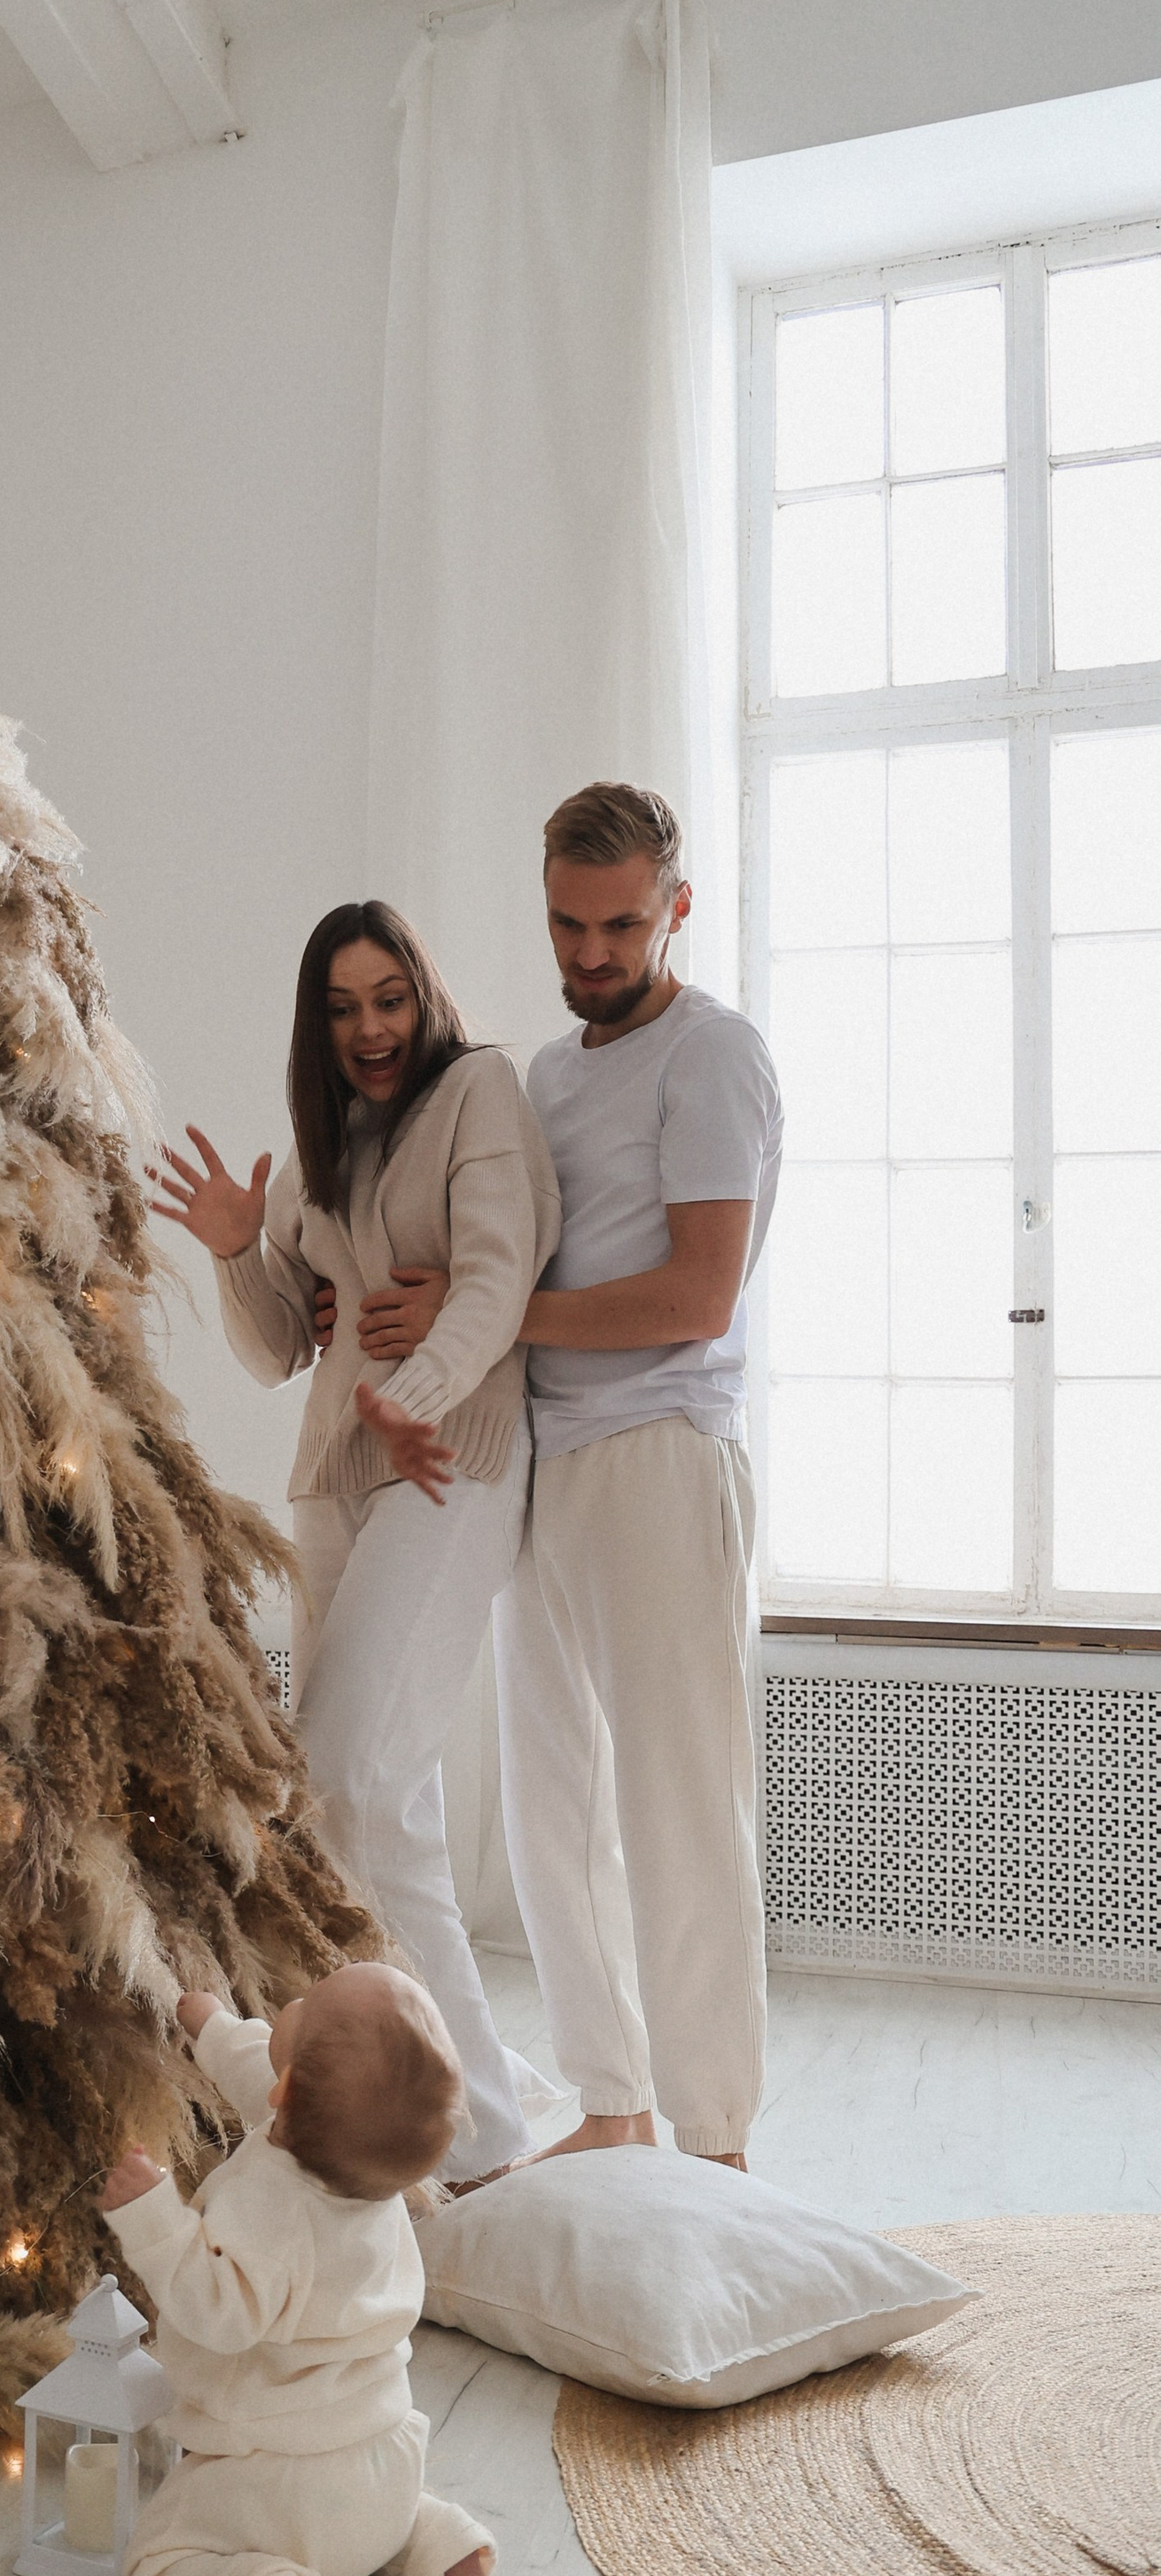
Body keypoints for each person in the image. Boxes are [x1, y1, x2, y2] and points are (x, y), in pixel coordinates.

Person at [354, 785, 783, 2172]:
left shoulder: (712, 1055)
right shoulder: (545, 1076)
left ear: (677, 909)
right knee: (552, 1811)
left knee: (678, 1811)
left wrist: (491, 1317)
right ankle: (612, 2105)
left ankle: (714, 2144)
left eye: (621, 925)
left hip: (660, 1455)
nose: (591, 952)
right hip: (542, 1460)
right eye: (566, 924)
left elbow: (699, 1295)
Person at [148, 902, 560, 2180]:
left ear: (423, 997)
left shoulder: (479, 1094)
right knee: (375, 1804)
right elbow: (279, 1347)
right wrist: (237, 1251)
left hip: (447, 1462)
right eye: (342, 1008)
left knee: (349, 1778)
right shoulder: (327, 1148)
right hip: (336, 1484)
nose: (370, 1028)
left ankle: (480, 2139)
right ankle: (424, 2110)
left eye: (388, 999)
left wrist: (414, 1394)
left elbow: (496, 1278)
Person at [99, 1968, 504, 2576]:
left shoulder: (270, 2204)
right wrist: (212, 2027)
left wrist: (155, 2220)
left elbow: (220, 2311)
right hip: (385, 2466)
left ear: (288, 2092)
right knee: (395, 2517)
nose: (295, 2001)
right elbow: (267, 2078)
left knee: (153, 2569)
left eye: (308, 2005)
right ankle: (446, 2553)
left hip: (273, 2487)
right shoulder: (368, 2167)